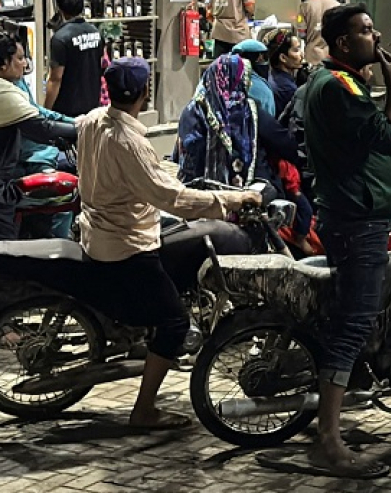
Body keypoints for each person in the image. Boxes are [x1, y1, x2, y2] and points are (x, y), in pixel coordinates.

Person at [76, 57, 259, 428]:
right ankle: (144, 410)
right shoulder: (129, 140)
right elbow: (171, 198)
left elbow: (152, 178)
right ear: (146, 92)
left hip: (96, 230)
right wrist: (232, 200)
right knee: (174, 323)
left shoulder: (93, 120)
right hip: (125, 243)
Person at [304, 2, 391, 477]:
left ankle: (331, 416)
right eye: (366, 30)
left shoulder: (340, 83)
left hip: (355, 214)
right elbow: (389, 136)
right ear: (343, 43)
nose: (375, 35)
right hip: (357, 221)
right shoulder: (340, 86)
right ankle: (329, 438)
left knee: (352, 318)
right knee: (352, 323)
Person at [176, 54, 299, 191]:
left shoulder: (193, 110)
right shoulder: (247, 111)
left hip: (194, 193)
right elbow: (284, 142)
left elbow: (181, 153)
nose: (250, 83)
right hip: (245, 196)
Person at [0, 33, 78, 238]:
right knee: (5, 250)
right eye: (20, 58)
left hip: (11, 172)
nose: (24, 64)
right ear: (4, 64)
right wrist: (86, 128)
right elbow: (43, 128)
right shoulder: (2, 93)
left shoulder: (13, 84)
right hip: (10, 174)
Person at [45, 0, 103, 117]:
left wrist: (46, 111)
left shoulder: (60, 38)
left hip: (67, 110)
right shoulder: (95, 32)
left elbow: (55, 79)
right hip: (92, 106)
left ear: (59, 8)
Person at [299, 0, 338, 65]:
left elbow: (301, 33)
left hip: (312, 56)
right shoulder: (337, 6)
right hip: (331, 55)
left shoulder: (304, 6)